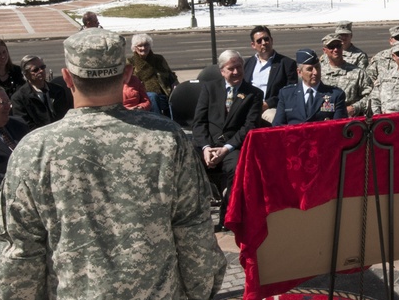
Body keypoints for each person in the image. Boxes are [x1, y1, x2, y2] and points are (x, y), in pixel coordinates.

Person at [0, 28, 227, 300]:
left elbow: (19, 255)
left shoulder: (34, 151)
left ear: (67, 78)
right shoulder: (166, 141)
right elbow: (194, 238)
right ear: (125, 74)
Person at [191, 49, 262, 231]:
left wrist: (226, 149)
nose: (236, 72)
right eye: (231, 69)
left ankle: (227, 216)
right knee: (186, 164)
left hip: (232, 146)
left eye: (239, 67)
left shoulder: (253, 94)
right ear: (222, 71)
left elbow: (249, 126)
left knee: (237, 167)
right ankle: (194, 219)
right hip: (207, 145)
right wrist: (206, 147)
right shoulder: (209, 88)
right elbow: (199, 122)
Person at [273, 49, 347, 125]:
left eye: (317, 67)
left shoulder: (335, 95)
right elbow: (277, 125)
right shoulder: (287, 94)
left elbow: (339, 127)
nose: (315, 72)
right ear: (299, 72)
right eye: (310, 69)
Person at [243, 25, 298, 124]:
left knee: (274, 118)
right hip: (248, 106)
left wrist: (267, 104)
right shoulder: (246, 64)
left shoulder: (286, 64)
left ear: (271, 40)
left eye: (266, 39)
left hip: (271, 108)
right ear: (253, 45)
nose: (263, 43)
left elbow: (291, 92)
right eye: (259, 41)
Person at [10, 55, 74, 130]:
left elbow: (66, 114)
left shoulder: (58, 90)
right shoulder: (19, 98)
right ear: (26, 74)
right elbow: (25, 125)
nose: (41, 71)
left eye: (42, 67)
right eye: (35, 70)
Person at [320, 33, 373, 117]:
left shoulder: (357, 72)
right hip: (325, 118)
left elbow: (371, 96)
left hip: (350, 119)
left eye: (338, 46)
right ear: (324, 50)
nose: (336, 49)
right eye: (331, 47)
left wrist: (354, 108)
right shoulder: (319, 73)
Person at [128, 33, 177, 117]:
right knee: (153, 96)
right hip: (143, 95)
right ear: (134, 48)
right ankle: (158, 122)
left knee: (175, 96)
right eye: (140, 46)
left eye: (146, 45)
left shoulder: (159, 59)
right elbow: (130, 81)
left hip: (164, 92)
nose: (143, 48)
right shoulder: (130, 62)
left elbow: (170, 74)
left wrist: (175, 83)